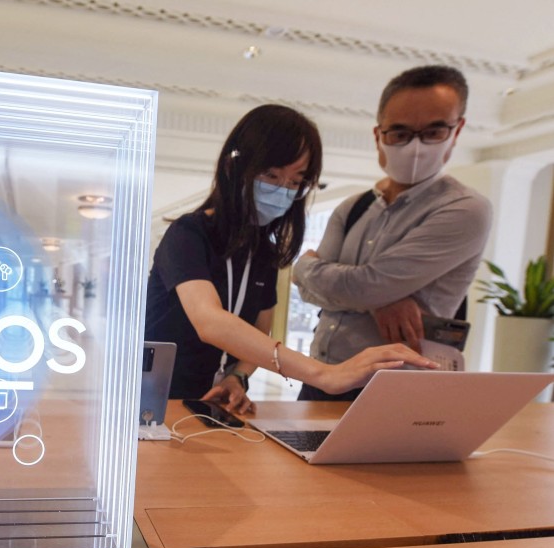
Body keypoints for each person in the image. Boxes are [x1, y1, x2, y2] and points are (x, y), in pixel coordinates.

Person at [144, 104, 435, 414]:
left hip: (210, 404)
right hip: (155, 396)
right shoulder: (188, 234)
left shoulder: (264, 253)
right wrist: (323, 373)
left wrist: (238, 376)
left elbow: (261, 329)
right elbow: (209, 321)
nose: (281, 190)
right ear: (233, 168)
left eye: (295, 182)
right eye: (271, 175)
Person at [292, 65, 492, 401]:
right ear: (378, 135)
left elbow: (365, 286)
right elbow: (312, 291)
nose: (415, 146)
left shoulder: (465, 209)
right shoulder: (353, 207)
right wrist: (377, 301)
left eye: (433, 131)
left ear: (456, 131)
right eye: (399, 133)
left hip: (399, 390)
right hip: (324, 376)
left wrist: (305, 267)